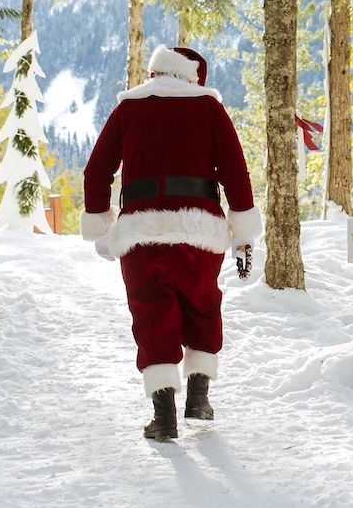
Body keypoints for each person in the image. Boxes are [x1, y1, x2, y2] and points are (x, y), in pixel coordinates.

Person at [81, 45, 261, 442]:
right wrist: (243, 231)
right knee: (202, 305)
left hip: (141, 232)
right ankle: (199, 397)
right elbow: (235, 171)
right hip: (200, 232)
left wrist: (100, 224)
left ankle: (163, 416)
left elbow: (97, 170)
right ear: (194, 76)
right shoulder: (209, 109)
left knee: (151, 312)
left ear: (156, 72)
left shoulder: (129, 108)